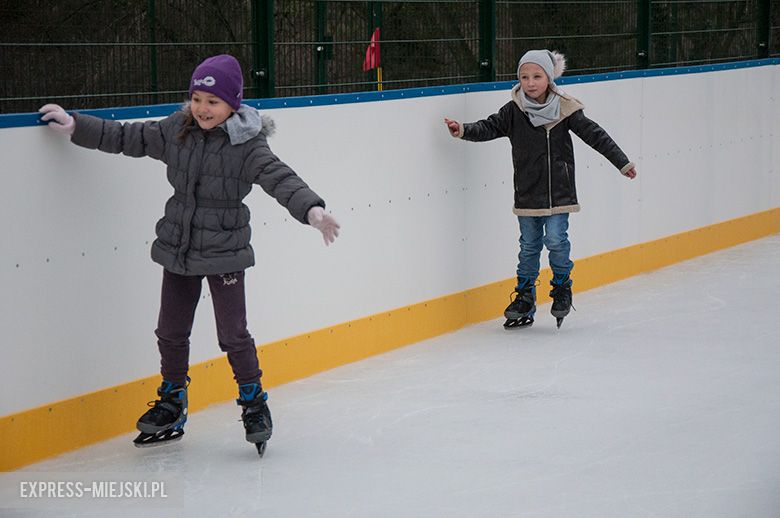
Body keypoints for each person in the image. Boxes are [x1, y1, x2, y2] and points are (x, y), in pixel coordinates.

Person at [39, 54, 340, 453]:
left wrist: (312, 210)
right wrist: (78, 126)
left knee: (233, 334)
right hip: (178, 246)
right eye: (197, 98)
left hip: (226, 251)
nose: (202, 108)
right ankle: (172, 400)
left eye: (212, 102)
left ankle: (253, 402)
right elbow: (129, 137)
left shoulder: (248, 145)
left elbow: (280, 178)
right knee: (170, 331)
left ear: (233, 104)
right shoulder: (176, 130)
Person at [444, 49, 636, 329]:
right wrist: (462, 129)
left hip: (559, 192)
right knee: (528, 247)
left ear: (549, 77)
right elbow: (489, 127)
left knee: (556, 240)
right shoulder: (513, 111)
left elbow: (596, 136)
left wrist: (622, 162)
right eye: (524, 77)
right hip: (527, 193)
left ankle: (561, 287)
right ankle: (524, 297)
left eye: (537, 76)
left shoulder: (565, 108)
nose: (530, 83)